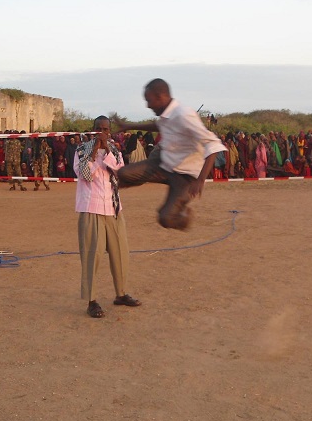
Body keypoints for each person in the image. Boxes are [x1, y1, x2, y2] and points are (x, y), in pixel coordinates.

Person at [115, 79, 226, 230]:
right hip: (164, 165)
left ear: (160, 96)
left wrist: (200, 180)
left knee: (166, 218)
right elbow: (159, 125)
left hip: (184, 176)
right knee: (124, 173)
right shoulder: (167, 115)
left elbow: (213, 144)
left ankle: (184, 214)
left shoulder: (183, 115)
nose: (148, 105)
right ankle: (124, 182)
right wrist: (128, 126)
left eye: (149, 101)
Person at [74, 115, 140, 319]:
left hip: (114, 208)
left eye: (106, 129)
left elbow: (120, 172)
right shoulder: (81, 150)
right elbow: (84, 175)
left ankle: (121, 293)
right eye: (99, 129)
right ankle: (91, 301)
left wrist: (107, 151)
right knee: (92, 255)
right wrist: (94, 151)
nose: (103, 132)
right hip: (91, 208)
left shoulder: (115, 151)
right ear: (92, 130)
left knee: (120, 253)